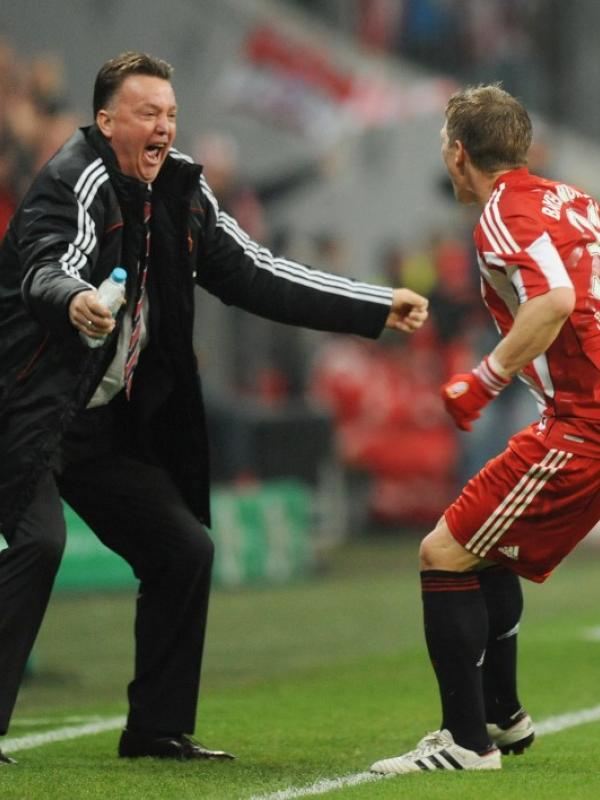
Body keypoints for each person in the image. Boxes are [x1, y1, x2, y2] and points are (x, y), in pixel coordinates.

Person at [0, 51, 428, 766]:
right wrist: (71, 298)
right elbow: (47, 259)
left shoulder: (181, 193)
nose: (162, 127)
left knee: (183, 548)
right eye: (145, 114)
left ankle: (156, 730)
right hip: (24, 406)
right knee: (40, 543)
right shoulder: (75, 178)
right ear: (105, 122)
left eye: (169, 114)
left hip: (95, 420)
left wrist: (375, 304)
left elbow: (259, 273)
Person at [371, 83, 600, 775]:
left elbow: (555, 299)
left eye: (445, 140)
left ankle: (464, 742)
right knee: (481, 549)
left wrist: (486, 377)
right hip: (581, 416)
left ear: (459, 151)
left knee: (442, 553)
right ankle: (501, 714)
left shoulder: (502, 213)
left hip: (583, 424)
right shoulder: (574, 201)